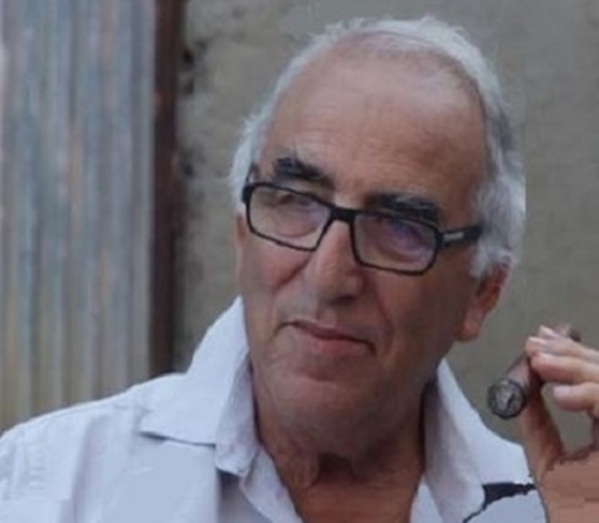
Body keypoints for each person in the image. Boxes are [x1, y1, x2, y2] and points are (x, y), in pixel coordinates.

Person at [0, 16, 597, 523]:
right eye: (295, 202)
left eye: (398, 227)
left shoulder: (543, 509)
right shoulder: (50, 489)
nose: (329, 276)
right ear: (242, 234)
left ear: (482, 292)